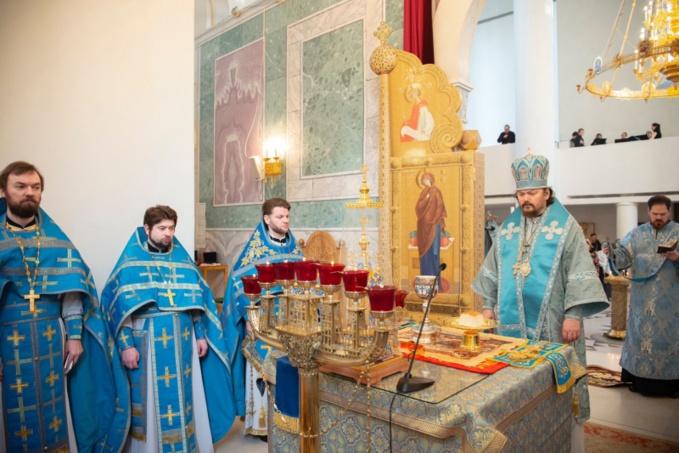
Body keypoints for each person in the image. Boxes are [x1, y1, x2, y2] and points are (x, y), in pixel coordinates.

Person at [471, 153, 609, 452]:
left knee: (554, 390)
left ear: (547, 192)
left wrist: (573, 315)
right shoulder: (507, 229)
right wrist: (487, 306)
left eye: (531, 192)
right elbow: (492, 271)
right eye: (521, 193)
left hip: (554, 324)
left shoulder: (566, 227)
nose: (525, 199)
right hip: (509, 328)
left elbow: (579, 271)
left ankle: (559, 440)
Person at [0, 161, 128, 452]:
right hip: (7, 339)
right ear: (3, 191)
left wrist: (74, 336)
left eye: (35, 187)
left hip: (50, 337)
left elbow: (72, 292)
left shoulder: (57, 242)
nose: (29, 193)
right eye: (20, 186)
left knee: (54, 406)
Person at [100, 205, 235, 452]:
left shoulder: (181, 260)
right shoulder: (131, 262)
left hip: (182, 341)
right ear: (147, 228)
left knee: (183, 398)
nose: (168, 234)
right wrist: (126, 346)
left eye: (171, 228)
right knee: (150, 401)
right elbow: (120, 310)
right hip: (147, 341)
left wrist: (200, 335)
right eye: (162, 228)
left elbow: (196, 301)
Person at [222, 198, 304, 438]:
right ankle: (262, 425)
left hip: (291, 318)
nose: (285, 221)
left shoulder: (294, 250)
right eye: (280, 217)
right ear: (267, 219)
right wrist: (249, 316)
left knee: (290, 366)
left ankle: (288, 419)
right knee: (263, 368)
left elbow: (309, 281)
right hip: (265, 317)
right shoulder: (255, 249)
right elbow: (238, 283)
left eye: (287, 216)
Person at [604, 195, 678, 398]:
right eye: (655, 214)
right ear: (648, 212)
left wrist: (677, 257)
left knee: (671, 340)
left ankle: (672, 385)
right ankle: (637, 380)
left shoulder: (677, 232)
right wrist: (611, 252)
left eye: (663, 214)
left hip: (672, 303)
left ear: (669, 212)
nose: (659, 217)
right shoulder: (637, 234)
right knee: (641, 337)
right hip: (641, 301)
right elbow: (623, 259)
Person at [416, 173, 447, 288]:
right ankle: (424, 283)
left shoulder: (436, 191)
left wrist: (434, 220)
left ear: (431, 180)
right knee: (425, 255)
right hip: (423, 228)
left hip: (434, 227)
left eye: (427, 180)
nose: (426, 183)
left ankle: (436, 284)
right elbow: (418, 208)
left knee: (434, 254)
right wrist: (425, 200)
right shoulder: (424, 192)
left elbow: (440, 207)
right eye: (424, 181)